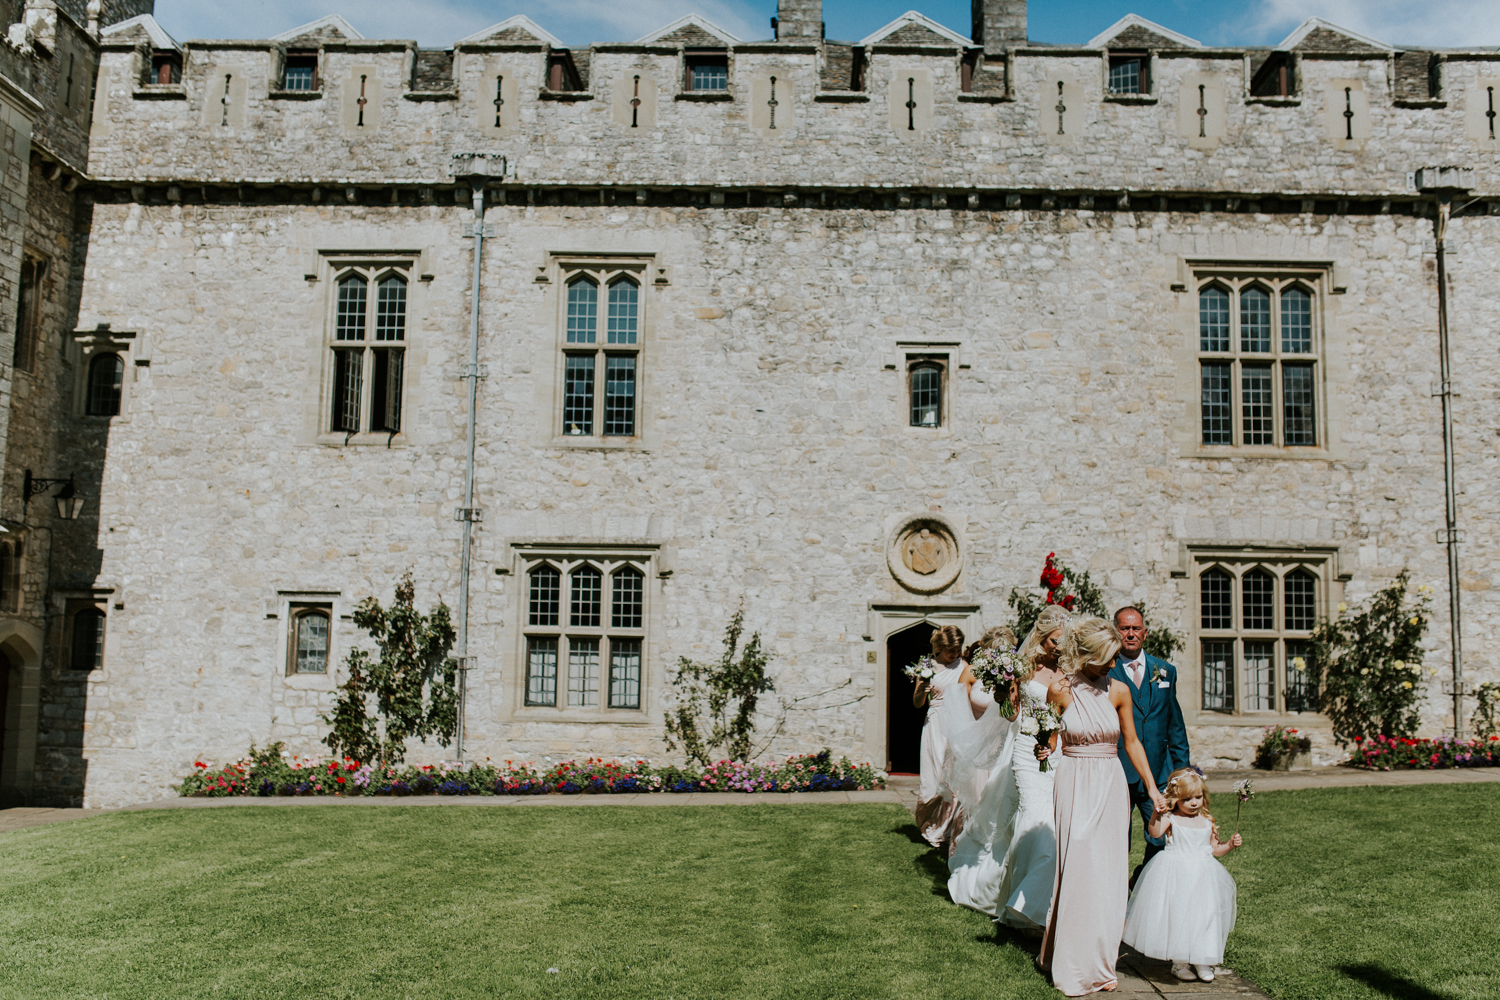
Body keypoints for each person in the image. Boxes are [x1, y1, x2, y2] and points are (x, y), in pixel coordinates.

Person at [1036, 617, 1166, 997]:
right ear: (1088, 656)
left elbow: (1133, 744)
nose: (1115, 664)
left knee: (1107, 874)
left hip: (1109, 781)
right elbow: (1050, 738)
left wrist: (1153, 788)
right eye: (1108, 659)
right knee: (1077, 868)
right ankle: (1073, 962)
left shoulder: (1119, 691)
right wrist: (1043, 747)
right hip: (1074, 779)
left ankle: (1102, 962)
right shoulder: (1059, 689)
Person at [1122, 768, 1241, 983]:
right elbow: (1155, 833)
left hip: (1203, 876)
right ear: (1176, 799)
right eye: (1187, 799)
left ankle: (1202, 958)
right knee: (1178, 915)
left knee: (1205, 915)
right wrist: (1157, 813)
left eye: (1198, 797)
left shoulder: (1206, 822)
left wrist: (1230, 845)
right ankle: (1180, 962)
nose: (1194, 803)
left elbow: (1214, 849)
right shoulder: (1172, 819)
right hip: (1177, 875)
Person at [1108, 606, 1191, 884]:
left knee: (1163, 837)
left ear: (1145, 632)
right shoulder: (1104, 671)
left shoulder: (1165, 670)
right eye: (1124, 628)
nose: (1130, 634)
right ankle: (1117, 900)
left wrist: (1182, 772)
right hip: (1118, 771)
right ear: (1115, 631)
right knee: (1118, 840)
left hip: (1157, 772)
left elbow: (1174, 724)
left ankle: (1142, 882)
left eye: (1135, 629)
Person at [913, 624, 967, 850]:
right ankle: (928, 822)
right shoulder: (927, 666)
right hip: (934, 723)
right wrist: (922, 688)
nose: (954, 654)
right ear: (939, 646)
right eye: (950, 650)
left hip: (957, 723)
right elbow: (917, 704)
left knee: (952, 778)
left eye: (957, 649)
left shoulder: (965, 667)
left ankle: (945, 829)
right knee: (933, 776)